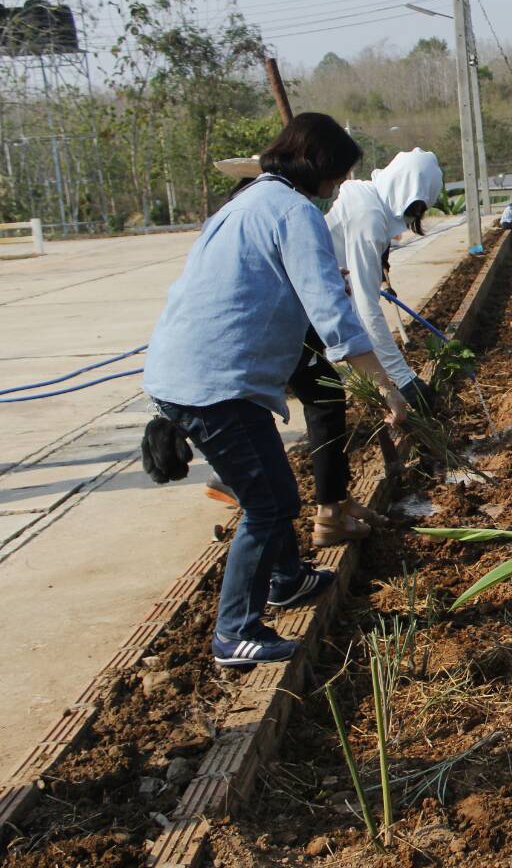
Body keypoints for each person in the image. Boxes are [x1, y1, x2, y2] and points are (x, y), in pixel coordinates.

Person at [143, 113, 408, 668]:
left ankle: (285, 578)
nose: (338, 188)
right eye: (337, 176)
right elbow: (333, 315)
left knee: (272, 485)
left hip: (193, 373)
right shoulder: (294, 212)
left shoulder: (248, 201)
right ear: (319, 168)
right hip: (214, 385)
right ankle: (235, 633)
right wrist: (387, 387)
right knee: (270, 505)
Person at [327, 146, 445, 414]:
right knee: (325, 402)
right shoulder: (367, 218)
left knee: (325, 399)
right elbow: (366, 310)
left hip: (324, 296)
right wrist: (404, 380)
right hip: (297, 309)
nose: (417, 215)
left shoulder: (366, 197)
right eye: (418, 207)